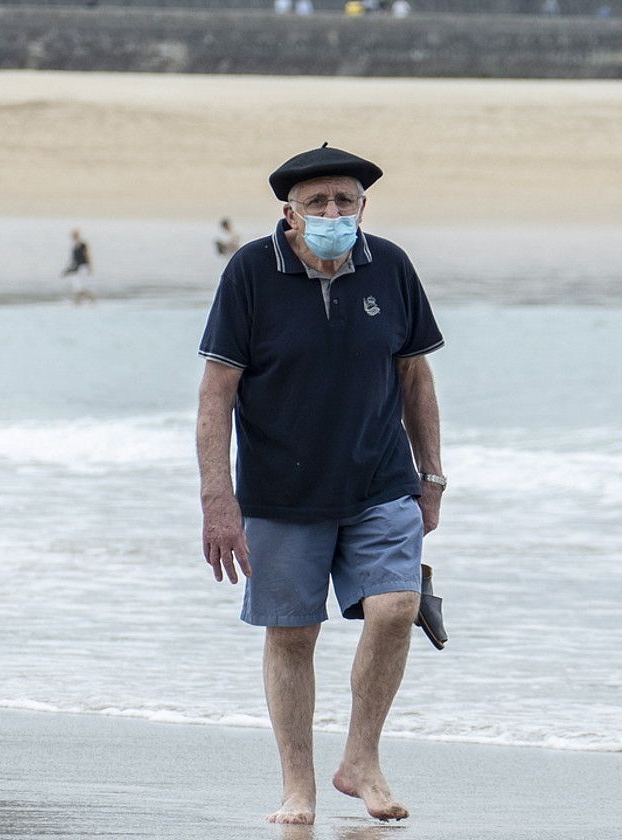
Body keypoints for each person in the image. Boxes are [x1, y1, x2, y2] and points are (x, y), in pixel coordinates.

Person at [197, 145, 445, 825]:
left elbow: (415, 379)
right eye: (319, 203)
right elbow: (217, 394)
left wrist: (434, 477)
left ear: (363, 207)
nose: (334, 213)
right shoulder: (250, 272)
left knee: (397, 607)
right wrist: (219, 498)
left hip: (381, 481)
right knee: (292, 634)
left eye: (346, 201)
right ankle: (297, 788)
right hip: (280, 490)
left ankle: (360, 760)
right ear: (291, 214)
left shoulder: (390, 266)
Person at [61, 228, 97, 304]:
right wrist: (68, 269)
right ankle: (81, 301)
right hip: (76, 267)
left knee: (79, 286)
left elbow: (87, 255)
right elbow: (73, 260)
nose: (73, 237)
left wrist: (90, 267)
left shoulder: (82, 244)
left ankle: (89, 298)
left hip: (83, 266)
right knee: (77, 285)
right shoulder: (74, 246)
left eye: (75, 235)